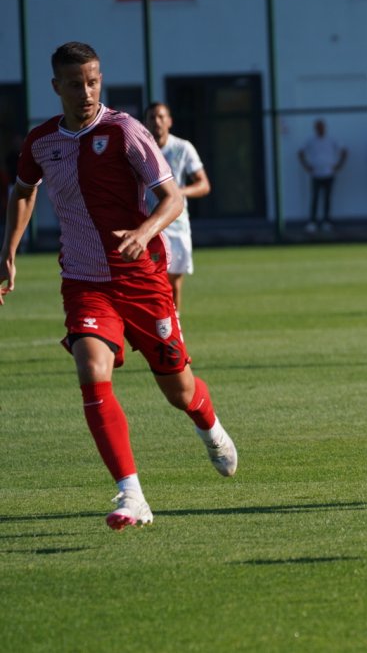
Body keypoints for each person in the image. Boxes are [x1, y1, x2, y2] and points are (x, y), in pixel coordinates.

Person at [0, 42, 237, 531]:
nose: (86, 92)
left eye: (93, 81)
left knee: (179, 388)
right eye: (74, 83)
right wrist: (9, 252)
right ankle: (132, 494)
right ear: (56, 87)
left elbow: (172, 199)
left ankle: (209, 426)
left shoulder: (126, 131)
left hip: (143, 279)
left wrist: (145, 232)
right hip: (85, 281)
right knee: (91, 367)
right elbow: (23, 192)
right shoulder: (42, 141)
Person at [143, 101, 211, 314]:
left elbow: (203, 184)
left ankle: (174, 329)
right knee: (152, 283)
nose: (157, 121)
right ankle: (158, 328)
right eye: (152, 117)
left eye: (161, 117)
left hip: (177, 225)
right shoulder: (140, 150)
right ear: (145, 122)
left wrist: (177, 193)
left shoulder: (182, 148)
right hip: (149, 225)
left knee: (173, 283)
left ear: (170, 121)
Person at [298, 118, 347, 233]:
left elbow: (344, 151)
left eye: (321, 127)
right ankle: (312, 222)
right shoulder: (310, 140)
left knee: (327, 198)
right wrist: (306, 166)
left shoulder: (332, 139)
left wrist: (338, 166)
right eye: (317, 127)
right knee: (315, 198)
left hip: (329, 173)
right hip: (316, 174)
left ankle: (327, 221)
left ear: (325, 128)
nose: (320, 129)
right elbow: (300, 152)